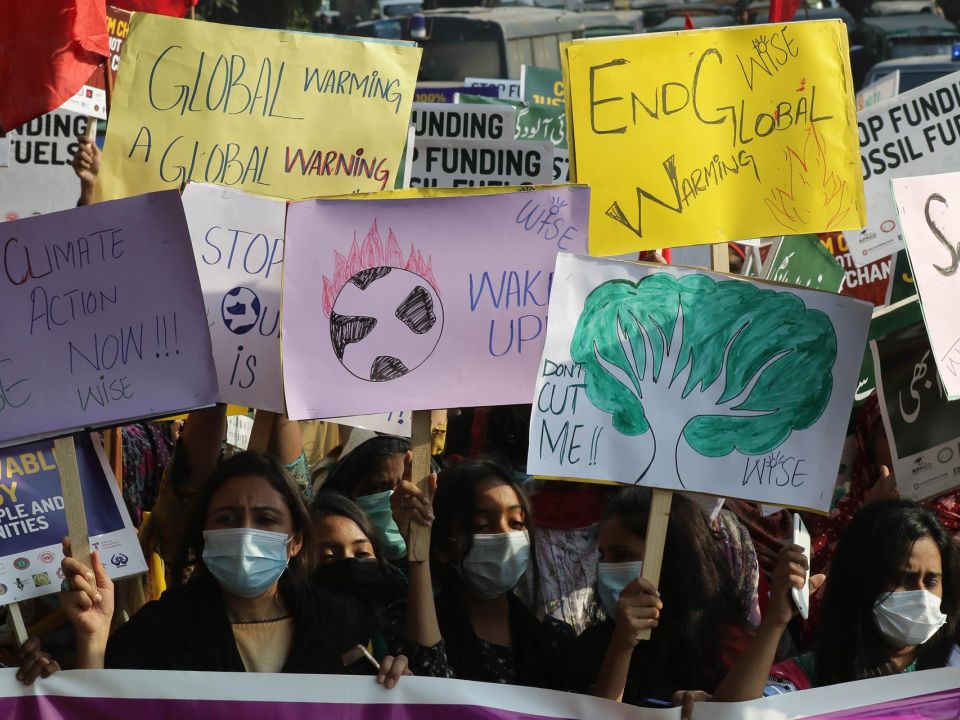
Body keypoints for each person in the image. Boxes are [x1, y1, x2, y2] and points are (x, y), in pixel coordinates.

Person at [59, 451, 409, 685]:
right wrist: (92, 638)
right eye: (227, 518)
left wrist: (400, 690)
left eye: (266, 519)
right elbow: (102, 711)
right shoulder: (158, 631)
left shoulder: (339, 624)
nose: (245, 532)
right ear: (204, 535)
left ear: (297, 541)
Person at [714, 500, 960, 699]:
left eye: (930, 581)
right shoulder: (809, 677)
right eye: (902, 579)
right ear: (861, 582)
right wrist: (776, 621)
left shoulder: (951, 668)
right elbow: (733, 715)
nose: (921, 596)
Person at [389, 459, 576, 689]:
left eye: (516, 523)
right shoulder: (408, 624)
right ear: (442, 547)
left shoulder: (554, 639)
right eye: (482, 525)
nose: (506, 537)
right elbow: (431, 684)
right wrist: (418, 545)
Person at [575, 488, 753, 706]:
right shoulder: (593, 647)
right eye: (603, 556)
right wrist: (621, 646)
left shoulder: (732, 649)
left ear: (672, 558)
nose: (607, 568)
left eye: (622, 555)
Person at [311, 492, 407, 661]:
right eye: (328, 556)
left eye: (362, 553)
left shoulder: (398, 623)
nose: (349, 562)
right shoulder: (289, 637)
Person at [323, 435, 412, 562]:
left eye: (404, 488)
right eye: (376, 488)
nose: (393, 498)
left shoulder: (435, 563)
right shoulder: (342, 563)